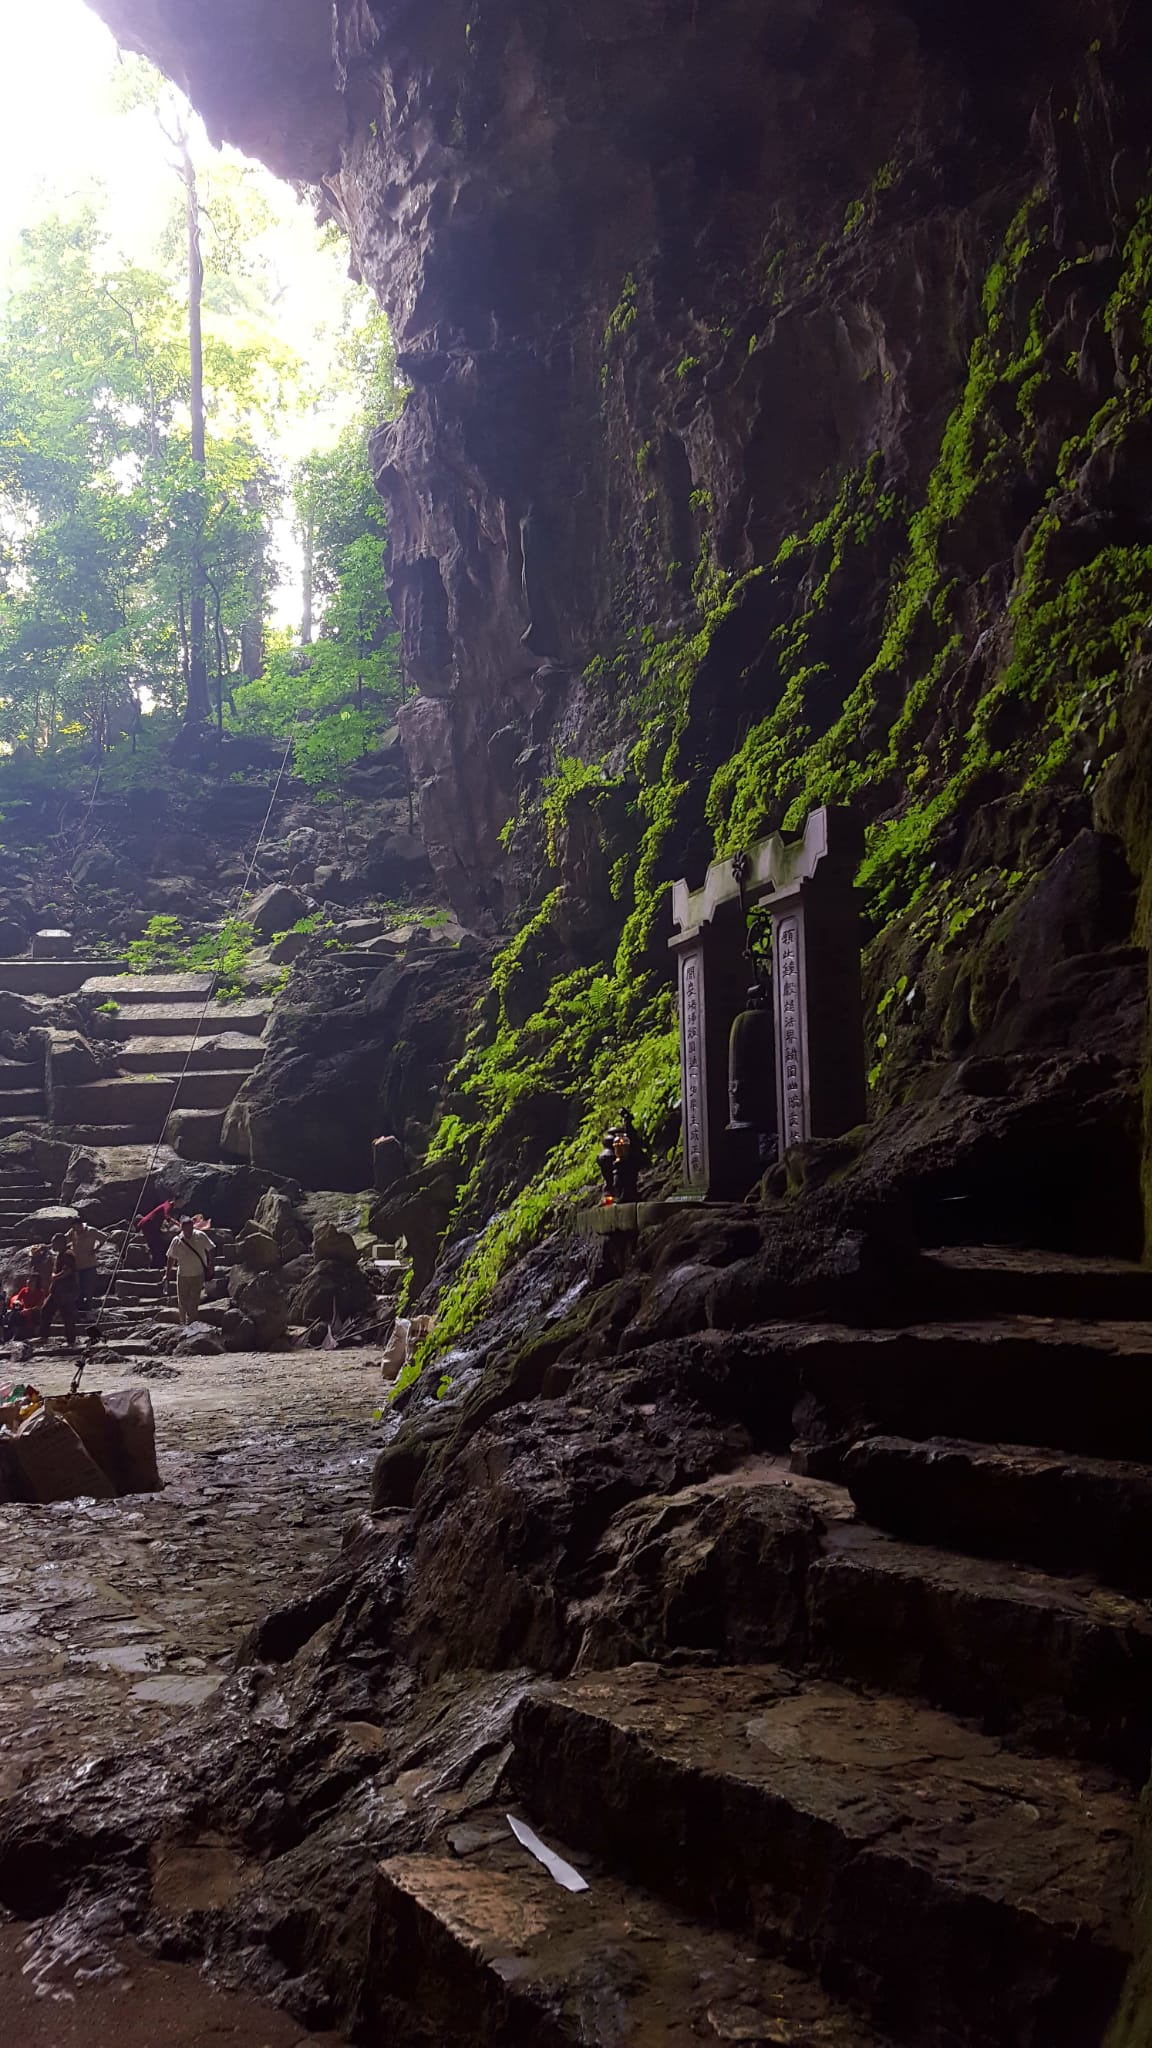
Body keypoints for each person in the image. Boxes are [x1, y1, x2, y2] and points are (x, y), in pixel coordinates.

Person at [165, 1214, 215, 1327]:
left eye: (190, 1228)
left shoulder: (200, 1236)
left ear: (193, 1226)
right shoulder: (176, 1241)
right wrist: (167, 1273)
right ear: (181, 1228)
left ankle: (192, 1322)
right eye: (185, 1229)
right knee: (182, 1301)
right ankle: (183, 1323)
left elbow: (211, 1248)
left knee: (194, 1300)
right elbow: (171, 1257)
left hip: (198, 1273)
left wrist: (210, 1264)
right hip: (182, 1274)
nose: (188, 1231)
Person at [40, 1234, 80, 1349]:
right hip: (58, 1291)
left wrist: (55, 1277)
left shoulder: (68, 1254)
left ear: (61, 1243)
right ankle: (45, 1336)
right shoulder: (61, 1255)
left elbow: (68, 1270)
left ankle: (70, 1340)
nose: (52, 1245)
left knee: (65, 1314)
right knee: (49, 1310)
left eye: (54, 1243)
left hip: (65, 1291)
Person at [69, 1219, 115, 1311]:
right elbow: (64, 1238)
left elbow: (104, 1237)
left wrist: (96, 1249)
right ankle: (80, 1307)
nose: (75, 1229)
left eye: (76, 1227)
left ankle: (89, 1308)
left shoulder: (91, 1231)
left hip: (89, 1264)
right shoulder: (72, 1232)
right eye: (73, 1228)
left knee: (88, 1287)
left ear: (80, 1225)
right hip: (77, 1264)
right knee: (79, 1287)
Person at [137, 1198, 178, 1271]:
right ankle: (155, 1267)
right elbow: (166, 1215)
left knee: (156, 1245)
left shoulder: (166, 1205)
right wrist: (177, 1223)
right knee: (157, 1246)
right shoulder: (167, 1205)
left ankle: (156, 1266)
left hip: (150, 1226)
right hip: (149, 1225)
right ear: (175, 1200)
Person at [5, 1273, 45, 1340]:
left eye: (32, 1280)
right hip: (23, 1310)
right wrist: (18, 1303)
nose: (29, 1281)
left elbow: (39, 1306)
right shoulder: (24, 1290)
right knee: (13, 1314)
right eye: (28, 1279)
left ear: (36, 1282)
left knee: (37, 1314)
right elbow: (18, 1300)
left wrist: (28, 1310)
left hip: (33, 1311)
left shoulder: (41, 1292)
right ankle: (14, 1334)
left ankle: (35, 1335)